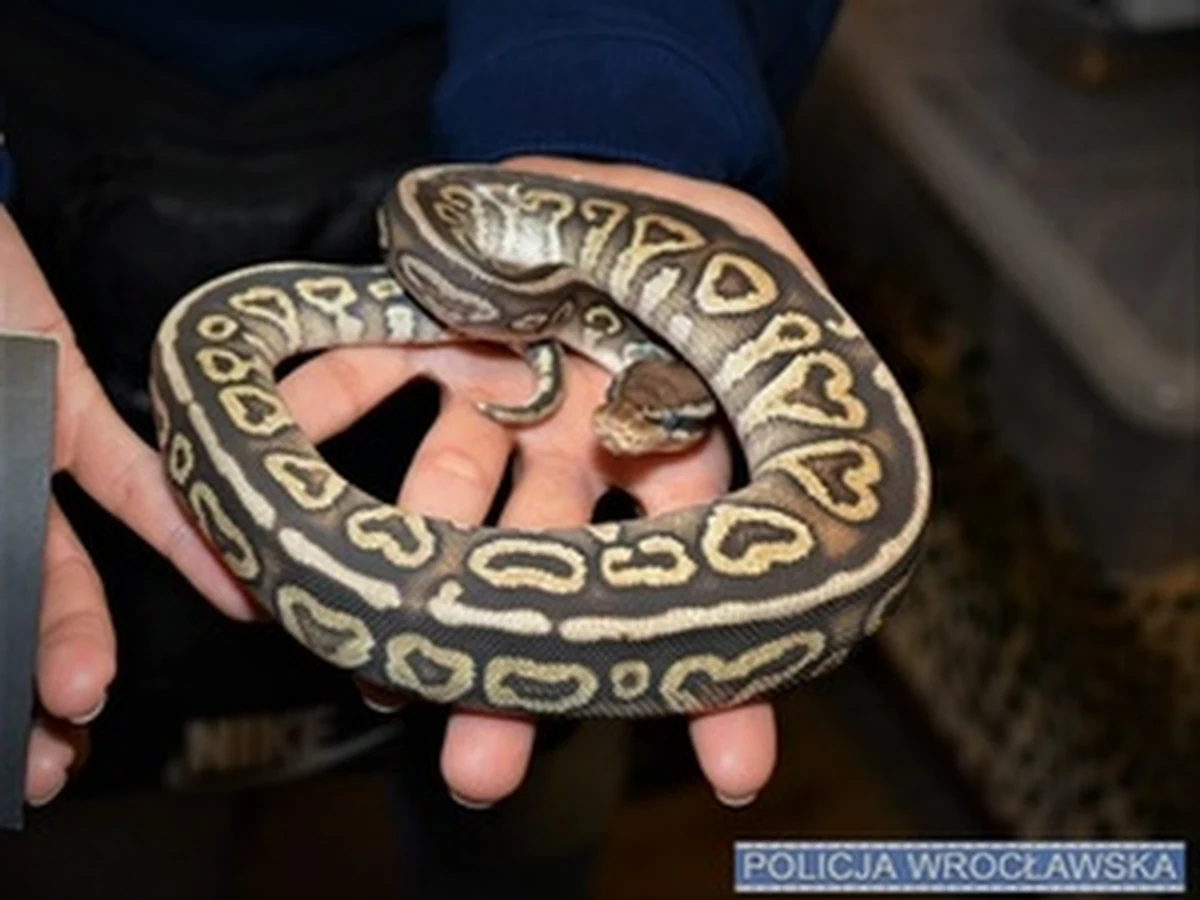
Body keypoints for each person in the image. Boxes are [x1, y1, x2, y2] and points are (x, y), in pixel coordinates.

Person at [0, 1, 841, 896]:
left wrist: (618, 104)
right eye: (635, 413)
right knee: (109, 823)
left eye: (654, 424)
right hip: (53, 98)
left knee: (517, 825)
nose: (617, 431)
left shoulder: (585, 328)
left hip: (463, 80)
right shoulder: (558, 316)